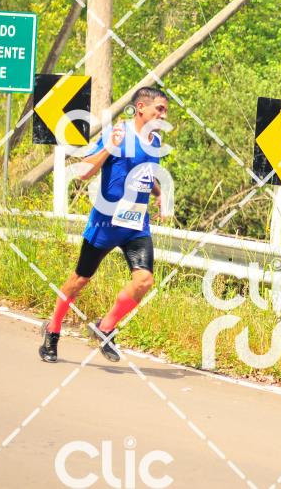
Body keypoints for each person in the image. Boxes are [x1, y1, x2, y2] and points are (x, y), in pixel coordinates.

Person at [39, 86, 169, 363]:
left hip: (136, 226)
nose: (164, 115)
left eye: (166, 110)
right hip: (106, 224)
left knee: (144, 280)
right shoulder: (118, 134)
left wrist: (159, 193)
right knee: (80, 280)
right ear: (141, 108)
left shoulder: (156, 141)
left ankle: (105, 327)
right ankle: (53, 329)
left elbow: (145, 172)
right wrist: (109, 148)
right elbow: (84, 172)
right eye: (160, 109)